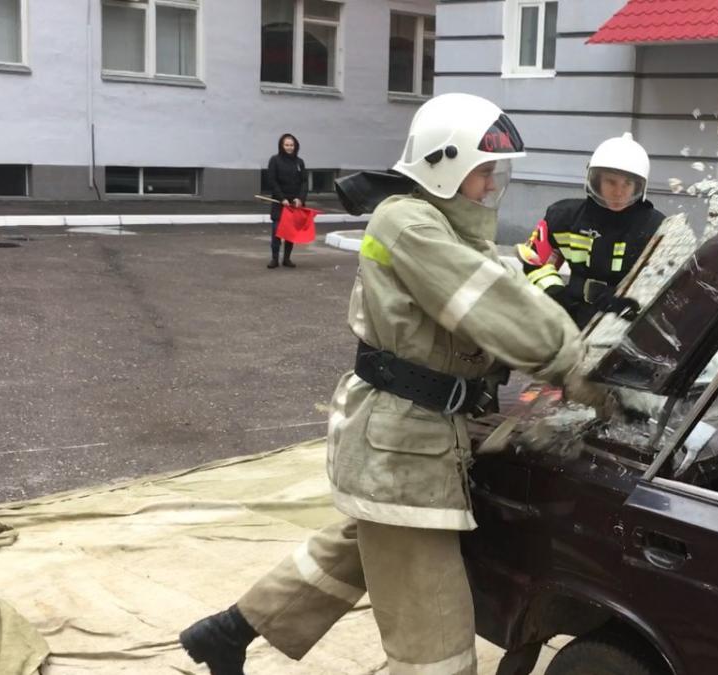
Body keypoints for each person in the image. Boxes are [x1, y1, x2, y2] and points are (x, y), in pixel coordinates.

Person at [179, 93, 611, 675]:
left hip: (412, 436)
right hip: (403, 446)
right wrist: (578, 368)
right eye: (484, 172)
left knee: (359, 545)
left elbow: (506, 279)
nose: (491, 185)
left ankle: (227, 631)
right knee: (436, 642)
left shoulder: (444, 227)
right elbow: (489, 302)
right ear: (445, 165)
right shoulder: (409, 223)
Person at [518, 132, 666, 327]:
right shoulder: (563, 217)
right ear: (595, 181)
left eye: (628, 183)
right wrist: (557, 295)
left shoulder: (655, 228)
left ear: (640, 187)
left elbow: (666, 284)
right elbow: (534, 262)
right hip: (570, 316)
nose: (619, 192)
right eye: (611, 182)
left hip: (627, 324)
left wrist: (629, 300)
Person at [266, 133, 307, 269]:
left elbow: (304, 182)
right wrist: (281, 198)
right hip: (280, 202)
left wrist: (300, 199)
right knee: (277, 231)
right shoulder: (275, 160)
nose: (289, 147)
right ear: (281, 146)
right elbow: (272, 181)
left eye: (292, 145)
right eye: (287, 145)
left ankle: (287, 259)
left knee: (290, 232)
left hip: (294, 204)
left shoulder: (299, 162)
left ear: (295, 146)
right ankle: (274, 259)